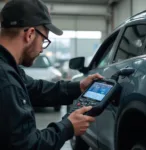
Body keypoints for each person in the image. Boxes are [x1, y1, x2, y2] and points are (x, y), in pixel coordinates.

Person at [0, 0, 103, 150]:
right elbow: (28, 146)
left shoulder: (8, 68)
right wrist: (68, 127)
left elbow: (35, 88)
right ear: (30, 34)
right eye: (43, 40)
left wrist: (79, 87)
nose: (42, 49)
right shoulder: (6, 80)